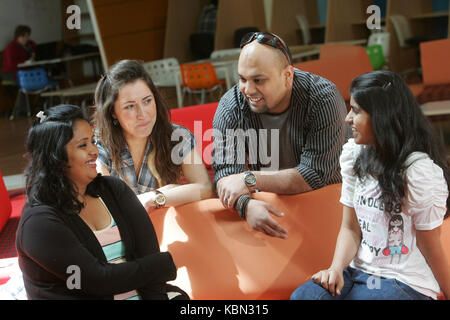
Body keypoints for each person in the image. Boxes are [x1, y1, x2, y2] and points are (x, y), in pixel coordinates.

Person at [290, 70, 450, 300]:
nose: (347, 118)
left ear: (381, 116)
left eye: (355, 110)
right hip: (358, 272)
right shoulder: (355, 155)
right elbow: (350, 229)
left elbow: (431, 247)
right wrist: (335, 269)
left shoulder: (417, 172)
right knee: (303, 297)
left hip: (404, 280)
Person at [16, 105, 188, 300]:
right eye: (83, 145)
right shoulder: (38, 223)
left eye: (92, 142)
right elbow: (97, 280)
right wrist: (164, 264)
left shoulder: (113, 189)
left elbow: (148, 255)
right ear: (54, 156)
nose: (94, 151)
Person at [212, 32, 347, 239]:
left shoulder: (322, 98)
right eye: (242, 79)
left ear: (287, 76)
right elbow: (225, 175)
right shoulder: (231, 105)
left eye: (258, 80)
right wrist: (245, 204)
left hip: (330, 210)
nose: (248, 89)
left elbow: (313, 175)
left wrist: (249, 179)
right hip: (273, 211)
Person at [94, 59, 213, 211]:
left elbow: (204, 187)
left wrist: (157, 197)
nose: (142, 114)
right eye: (130, 106)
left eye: (147, 101)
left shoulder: (177, 136)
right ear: (113, 112)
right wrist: (169, 190)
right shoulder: (100, 144)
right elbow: (104, 203)